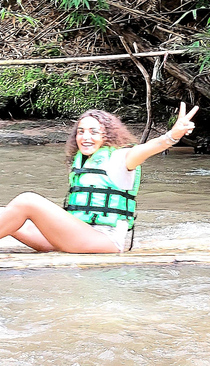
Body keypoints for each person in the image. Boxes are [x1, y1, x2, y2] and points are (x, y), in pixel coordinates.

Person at [0, 102, 199, 253]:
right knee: (5, 212)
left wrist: (173, 135)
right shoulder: (83, 161)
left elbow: (151, 147)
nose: (86, 137)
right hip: (75, 237)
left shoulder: (122, 157)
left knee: (27, 200)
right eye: (81, 132)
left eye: (93, 132)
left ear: (107, 136)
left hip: (104, 241)